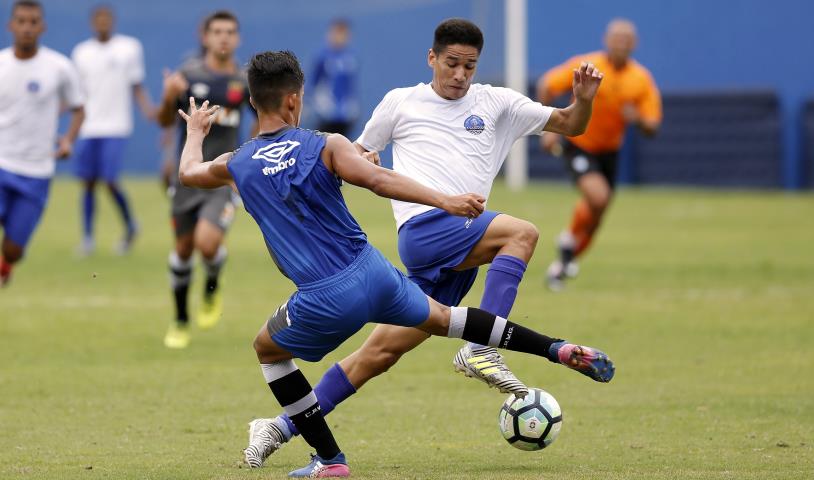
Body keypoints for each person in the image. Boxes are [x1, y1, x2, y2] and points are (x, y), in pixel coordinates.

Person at [177, 49, 614, 477]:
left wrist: (196, 131)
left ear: (253, 100)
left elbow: (188, 174)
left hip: (323, 296)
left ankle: (330, 460)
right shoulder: (327, 144)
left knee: (268, 351)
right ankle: (555, 349)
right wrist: (446, 199)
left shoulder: (236, 163)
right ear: (295, 99)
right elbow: (379, 180)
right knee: (450, 319)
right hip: (376, 273)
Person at [536, 18, 662, 291]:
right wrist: (550, 128)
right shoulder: (589, 65)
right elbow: (547, 84)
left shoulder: (640, 79)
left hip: (610, 152)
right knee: (598, 196)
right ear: (607, 40)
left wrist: (637, 119)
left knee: (598, 212)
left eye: (627, 40)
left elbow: (653, 125)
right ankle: (568, 245)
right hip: (579, 143)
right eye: (617, 38)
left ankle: (565, 256)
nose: (621, 44)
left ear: (634, 45)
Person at [156, 10, 255, 348]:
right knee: (183, 250)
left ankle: (212, 285)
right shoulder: (187, 75)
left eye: (230, 31)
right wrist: (170, 95)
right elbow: (163, 120)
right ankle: (181, 319)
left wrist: (250, 155)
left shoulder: (244, 81)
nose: (224, 37)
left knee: (207, 243)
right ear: (206, 37)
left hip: (221, 177)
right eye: (217, 31)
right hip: (187, 177)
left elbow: (262, 120)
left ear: (237, 38)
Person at [0, 0, 85, 286]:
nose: (27, 27)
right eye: (21, 21)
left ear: (42, 26)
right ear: (11, 25)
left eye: (33, 21)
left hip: (36, 170)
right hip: (1, 163)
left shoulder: (59, 67)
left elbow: (78, 107)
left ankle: (5, 265)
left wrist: (68, 141)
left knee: (13, 249)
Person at [71, 4, 153, 256]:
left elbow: (136, 85)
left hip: (116, 126)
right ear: (92, 22)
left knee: (109, 180)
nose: (103, 23)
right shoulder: (81, 52)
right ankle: (87, 238)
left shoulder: (129, 48)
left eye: (107, 18)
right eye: (99, 19)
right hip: (88, 127)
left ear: (113, 21)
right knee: (87, 183)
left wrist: (149, 109)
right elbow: (77, 93)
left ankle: (130, 226)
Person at [309, 19, 359, 136]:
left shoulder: (351, 58)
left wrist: (353, 106)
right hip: (327, 113)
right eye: (337, 33)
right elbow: (313, 83)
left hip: (345, 115)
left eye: (344, 34)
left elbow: (350, 86)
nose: (340, 37)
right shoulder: (322, 57)